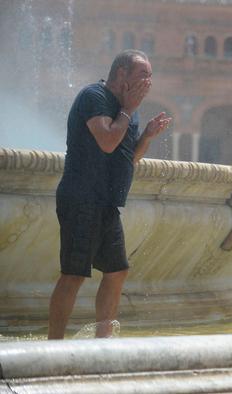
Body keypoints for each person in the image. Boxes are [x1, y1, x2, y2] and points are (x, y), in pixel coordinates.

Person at [48, 50, 172, 339]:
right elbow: (106, 141)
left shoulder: (129, 109)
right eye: (143, 74)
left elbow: (129, 158)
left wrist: (147, 136)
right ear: (121, 74)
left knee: (117, 271)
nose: (148, 81)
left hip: (106, 203)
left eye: (150, 76)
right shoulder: (94, 97)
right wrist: (127, 110)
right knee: (74, 273)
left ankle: (103, 343)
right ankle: (53, 344)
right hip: (81, 197)